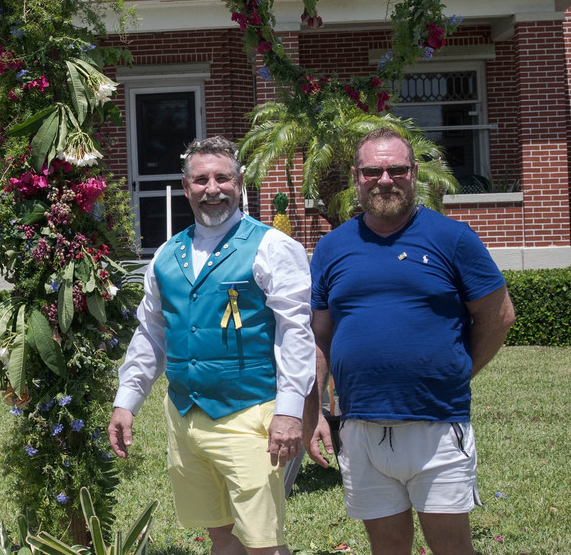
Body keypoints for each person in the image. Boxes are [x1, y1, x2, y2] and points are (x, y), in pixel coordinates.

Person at [305, 127, 516, 555]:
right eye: (372, 171)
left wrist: (458, 369)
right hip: (360, 427)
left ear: (414, 173)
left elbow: (499, 316)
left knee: (452, 550)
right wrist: (315, 414)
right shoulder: (331, 248)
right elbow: (318, 337)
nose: (385, 180)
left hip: (437, 425)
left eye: (396, 169)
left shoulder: (453, 238)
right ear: (356, 177)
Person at [108, 136, 315, 555]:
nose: (212, 188)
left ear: (239, 183)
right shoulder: (167, 254)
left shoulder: (273, 247)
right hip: (185, 417)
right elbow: (151, 332)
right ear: (186, 188)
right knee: (219, 533)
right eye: (201, 180)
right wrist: (126, 401)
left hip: (250, 414)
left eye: (222, 178)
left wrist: (290, 413)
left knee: (263, 543)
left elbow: (295, 332)